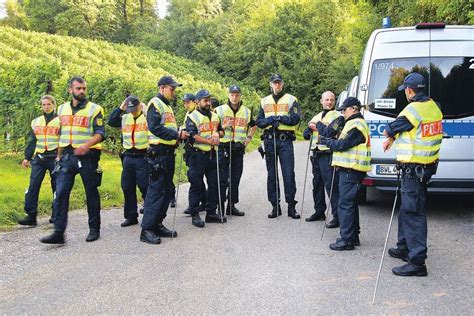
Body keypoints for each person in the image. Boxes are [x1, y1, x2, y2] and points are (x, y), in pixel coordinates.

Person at [382, 72, 442, 276]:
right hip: (424, 168)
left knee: (414, 213)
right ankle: (404, 247)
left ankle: (417, 263)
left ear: (409, 90)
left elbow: (389, 128)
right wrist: (394, 135)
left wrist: (390, 135)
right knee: (408, 209)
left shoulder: (412, 110)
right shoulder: (433, 107)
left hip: (414, 170)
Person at [40, 77, 105, 244]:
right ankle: (59, 232)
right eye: (78, 88)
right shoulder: (61, 109)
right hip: (67, 156)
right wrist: (59, 155)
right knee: (61, 193)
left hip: (87, 156)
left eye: (83, 88)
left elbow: (100, 133)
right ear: (71, 90)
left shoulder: (94, 109)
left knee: (91, 192)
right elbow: (61, 133)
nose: (81, 91)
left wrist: (86, 145)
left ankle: (94, 228)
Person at [140, 76, 189, 245]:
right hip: (158, 154)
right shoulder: (155, 103)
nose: (174, 91)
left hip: (168, 153)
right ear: (162, 88)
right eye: (172, 88)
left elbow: (167, 128)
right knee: (156, 191)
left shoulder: (168, 106)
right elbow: (155, 128)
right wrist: (176, 134)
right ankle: (146, 229)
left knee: (168, 191)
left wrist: (178, 135)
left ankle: (158, 223)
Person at [319, 97, 371, 251]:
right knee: (350, 203)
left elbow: (343, 144)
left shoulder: (356, 124)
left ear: (354, 108)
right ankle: (353, 236)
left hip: (352, 169)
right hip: (349, 168)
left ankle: (346, 239)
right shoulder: (351, 123)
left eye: (345, 109)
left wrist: (326, 142)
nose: (342, 112)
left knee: (345, 204)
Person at [256, 74, 301, 219]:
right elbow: (259, 122)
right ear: (270, 84)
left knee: (288, 174)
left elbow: (295, 119)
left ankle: (291, 207)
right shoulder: (264, 101)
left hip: (285, 141)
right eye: (274, 83)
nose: (277, 86)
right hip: (269, 141)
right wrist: (270, 119)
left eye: (279, 83)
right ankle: (275, 206)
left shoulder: (291, 99)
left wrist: (280, 118)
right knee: (272, 175)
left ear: (283, 84)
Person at [185, 89, 226, 227]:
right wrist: (209, 141)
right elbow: (192, 135)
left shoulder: (215, 116)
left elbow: (221, 131)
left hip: (212, 155)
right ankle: (195, 215)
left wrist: (217, 134)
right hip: (197, 155)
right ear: (198, 102)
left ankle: (211, 213)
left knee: (214, 184)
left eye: (209, 100)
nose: (208, 103)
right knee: (196, 185)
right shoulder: (193, 116)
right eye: (205, 100)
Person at [107, 95, 149, 227]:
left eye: (134, 108)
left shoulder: (146, 117)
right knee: (127, 186)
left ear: (139, 105)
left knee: (144, 185)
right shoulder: (125, 117)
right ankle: (131, 216)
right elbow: (111, 121)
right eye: (128, 108)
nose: (131, 111)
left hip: (143, 156)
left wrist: (146, 110)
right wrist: (121, 108)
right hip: (128, 156)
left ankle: (149, 213)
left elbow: (156, 123)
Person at [303, 91, 343, 227]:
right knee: (317, 185)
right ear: (321, 101)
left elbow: (331, 132)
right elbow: (305, 135)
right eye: (326, 100)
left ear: (335, 101)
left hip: (328, 154)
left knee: (331, 186)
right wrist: (309, 129)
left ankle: (337, 216)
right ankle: (319, 211)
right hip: (316, 154)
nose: (329, 102)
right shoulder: (317, 116)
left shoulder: (339, 116)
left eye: (332, 100)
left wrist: (316, 126)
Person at [215, 85, 257, 216]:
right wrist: (223, 126)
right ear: (228, 95)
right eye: (232, 94)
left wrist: (249, 137)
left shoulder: (246, 111)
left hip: (238, 148)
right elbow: (212, 128)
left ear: (240, 96)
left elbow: (254, 125)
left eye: (237, 95)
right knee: (222, 178)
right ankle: (220, 207)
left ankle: (231, 206)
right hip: (223, 147)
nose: (234, 97)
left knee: (235, 178)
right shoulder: (219, 110)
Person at [18, 95, 60, 226]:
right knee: (33, 185)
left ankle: (56, 214)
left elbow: (64, 140)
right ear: (41, 106)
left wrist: (61, 156)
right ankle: (31, 215)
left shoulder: (61, 121)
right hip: (40, 157)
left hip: (55, 156)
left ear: (54, 105)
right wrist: (27, 157)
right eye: (44, 105)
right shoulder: (36, 121)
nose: (46, 107)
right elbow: (32, 141)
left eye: (49, 104)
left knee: (57, 186)